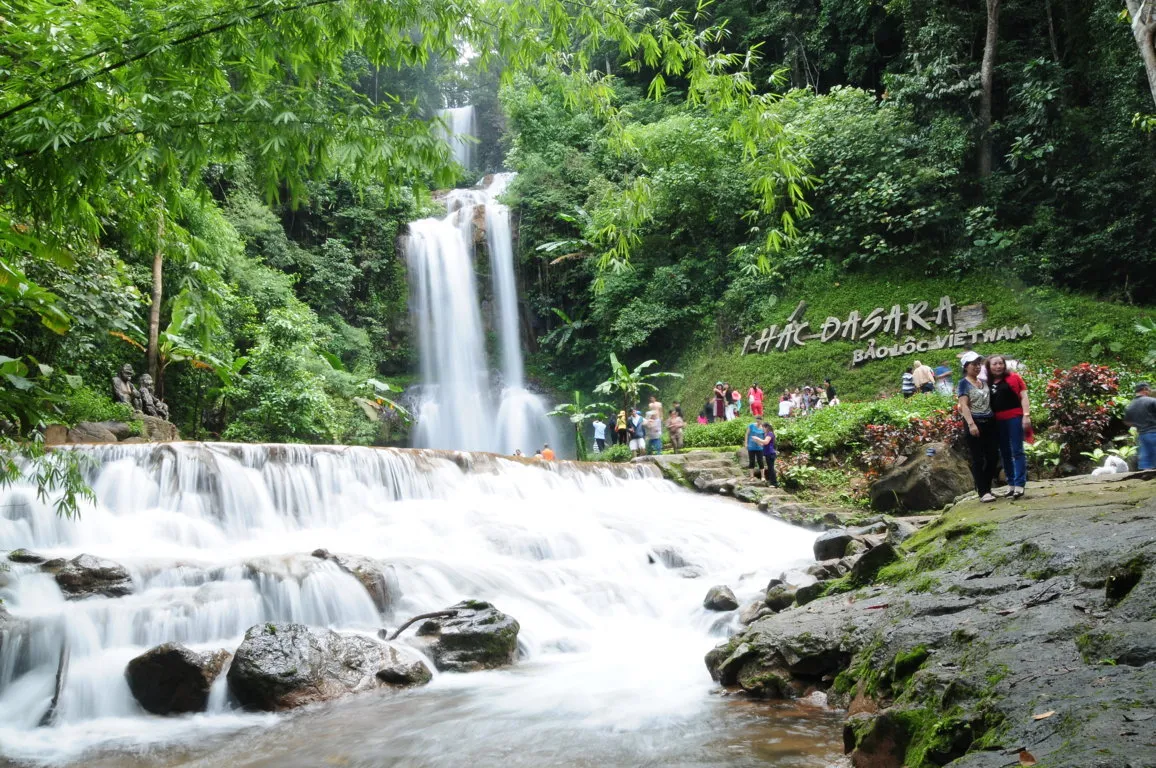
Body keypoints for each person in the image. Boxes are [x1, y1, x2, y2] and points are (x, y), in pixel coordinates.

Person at [957, 352, 999, 503]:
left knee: (993, 456)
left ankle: (987, 488)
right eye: (973, 364)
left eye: (978, 363)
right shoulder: (963, 383)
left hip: (989, 422)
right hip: (974, 423)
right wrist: (971, 424)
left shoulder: (983, 382)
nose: (976, 366)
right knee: (978, 459)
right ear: (966, 367)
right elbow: (964, 405)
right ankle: (983, 492)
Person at [987, 354, 1030, 499]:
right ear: (989, 366)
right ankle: (1011, 484)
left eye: (1000, 363)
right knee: (1004, 452)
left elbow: (1024, 396)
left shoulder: (1014, 378)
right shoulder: (987, 382)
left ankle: (1019, 484)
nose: (998, 366)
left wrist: (1026, 415)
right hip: (997, 421)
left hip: (1014, 417)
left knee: (1017, 450)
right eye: (994, 364)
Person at [1124, 382, 1156, 470]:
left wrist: (1139, 424)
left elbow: (1127, 422)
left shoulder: (1131, 405)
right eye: (1149, 390)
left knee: (1146, 460)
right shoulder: (1151, 401)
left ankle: (1146, 476)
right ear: (1145, 390)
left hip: (1142, 435)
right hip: (1154, 432)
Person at [758, 420, 778, 486]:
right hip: (768, 454)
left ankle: (774, 483)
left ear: (766, 427)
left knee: (771, 468)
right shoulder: (766, 434)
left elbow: (765, 442)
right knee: (770, 468)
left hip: (770, 453)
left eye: (763, 427)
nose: (762, 429)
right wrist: (756, 441)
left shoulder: (770, 434)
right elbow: (763, 444)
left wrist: (757, 439)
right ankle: (772, 482)